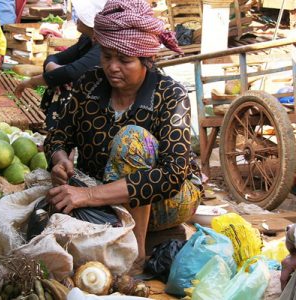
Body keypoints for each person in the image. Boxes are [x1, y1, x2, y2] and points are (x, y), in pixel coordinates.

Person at [43, 0, 200, 274]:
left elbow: (173, 174)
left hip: (167, 202)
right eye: (106, 56)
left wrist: (89, 195)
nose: (112, 67)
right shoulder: (89, 85)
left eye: (124, 60)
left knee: (133, 139)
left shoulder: (170, 95)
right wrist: (59, 161)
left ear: (146, 60)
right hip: (106, 198)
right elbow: (58, 136)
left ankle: (135, 254)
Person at [14, 0, 107, 130]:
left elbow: (71, 73)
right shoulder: (87, 39)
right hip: (84, 94)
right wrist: (54, 67)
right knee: (60, 79)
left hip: (97, 102)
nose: (77, 18)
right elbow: (55, 58)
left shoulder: (103, 47)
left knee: (64, 83)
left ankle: (60, 132)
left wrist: (32, 82)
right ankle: (54, 131)